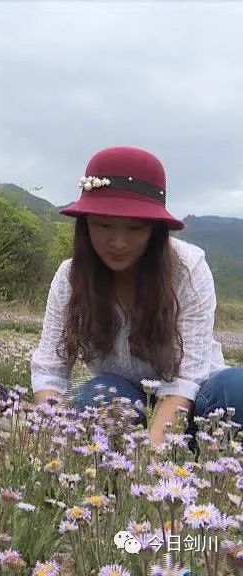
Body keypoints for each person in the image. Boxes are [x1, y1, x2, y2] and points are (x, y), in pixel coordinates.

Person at [30, 146, 243, 444]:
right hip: (126, 399)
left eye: (134, 228)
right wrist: (49, 438)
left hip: (197, 399)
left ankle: (195, 450)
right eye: (103, 225)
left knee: (237, 388)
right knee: (97, 397)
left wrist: (149, 470)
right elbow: (50, 372)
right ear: (85, 224)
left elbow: (183, 384)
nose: (118, 242)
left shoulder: (187, 271)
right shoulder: (70, 277)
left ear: (155, 230)